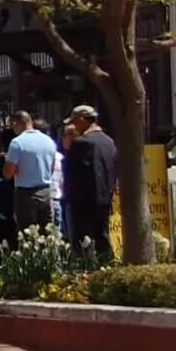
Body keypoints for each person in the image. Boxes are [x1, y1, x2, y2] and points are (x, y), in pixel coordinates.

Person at [61, 105, 120, 261]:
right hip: (105, 199)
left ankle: (85, 276)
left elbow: (69, 171)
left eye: (74, 122)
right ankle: (106, 268)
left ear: (82, 120)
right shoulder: (109, 141)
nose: (73, 126)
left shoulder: (81, 143)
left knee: (82, 245)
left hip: (82, 201)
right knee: (102, 238)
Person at [4, 110, 62, 240]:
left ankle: (31, 259)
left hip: (25, 192)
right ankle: (49, 259)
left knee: (28, 236)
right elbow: (51, 169)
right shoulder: (49, 141)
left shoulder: (17, 143)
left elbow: (8, 173)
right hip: (46, 191)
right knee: (47, 234)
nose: (13, 129)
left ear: (17, 123)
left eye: (13, 125)